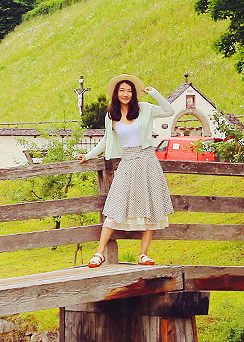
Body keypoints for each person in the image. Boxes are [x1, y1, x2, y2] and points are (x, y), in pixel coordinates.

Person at [76, 74, 177, 268]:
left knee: (151, 207)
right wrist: (88, 156)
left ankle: (143, 254)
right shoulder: (111, 116)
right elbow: (107, 140)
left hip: (148, 161)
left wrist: (154, 93)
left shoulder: (145, 109)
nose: (126, 94)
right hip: (128, 162)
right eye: (122, 90)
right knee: (115, 206)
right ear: (116, 93)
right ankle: (99, 253)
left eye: (129, 90)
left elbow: (169, 110)